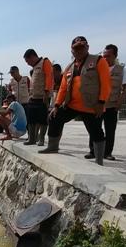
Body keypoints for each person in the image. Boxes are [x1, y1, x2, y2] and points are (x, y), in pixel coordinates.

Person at [38, 36, 111, 165]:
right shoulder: (69, 67)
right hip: (72, 104)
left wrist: (101, 102)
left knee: (96, 131)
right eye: (76, 49)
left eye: (81, 47)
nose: (79, 51)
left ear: (87, 47)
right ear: (72, 51)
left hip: (91, 105)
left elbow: (106, 83)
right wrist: (56, 105)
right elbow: (63, 88)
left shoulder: (98, 61)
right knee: (54, 117)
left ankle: (99, 160)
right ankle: (53, 146)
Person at [86, 44, 126, 161]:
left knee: (110, 130)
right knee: (95, 128)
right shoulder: (97, 68)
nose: (105, 58)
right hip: (99, 105)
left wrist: (120, 101)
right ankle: (93, 151)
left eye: (108, 56)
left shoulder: (121, 70)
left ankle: (107, 153)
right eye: (104, 56)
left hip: (112, 105)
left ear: (115, 56)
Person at [23, 48, 54, 146]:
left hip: (43, 96)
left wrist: (46, 93)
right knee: (31, 118)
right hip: (33, 97)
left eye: (27, 61)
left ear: (32, 57)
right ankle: (32, 139)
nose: (27, 63)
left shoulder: (45, 62)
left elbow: (49, 77)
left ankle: (41, 139)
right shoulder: (35, 67)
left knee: (42, 119)